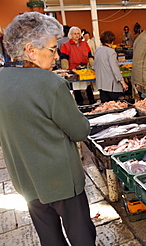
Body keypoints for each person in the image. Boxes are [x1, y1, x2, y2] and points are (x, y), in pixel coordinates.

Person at [0, 12, 96, 245]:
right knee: (81, 235)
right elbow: (80, 131)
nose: (56, 55)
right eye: (53, 49)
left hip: (26, 179)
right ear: (31, 50)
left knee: (49, 238)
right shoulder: (51, 83)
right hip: (61, 179)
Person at [60, 26, 95, 105]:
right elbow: (64, 58)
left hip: (85, 69)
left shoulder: (84, 43)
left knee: (88, 86)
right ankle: (80, 103)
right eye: (75, 34)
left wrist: (92, 64)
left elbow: (89, 55)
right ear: (71, 35)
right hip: (74, 69)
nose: (77, 35)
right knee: (76, 88)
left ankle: (92, 101)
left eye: (78, 33)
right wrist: (66, 69)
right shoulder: (66, 45)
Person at [95, 31, 128, 103]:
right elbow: (115, 69)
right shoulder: (111, 52)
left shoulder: (97, 50)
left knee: (106, 108)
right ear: (112, 41)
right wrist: (122, 82)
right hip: (111, 86)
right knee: (117, 107)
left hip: (101, 85)